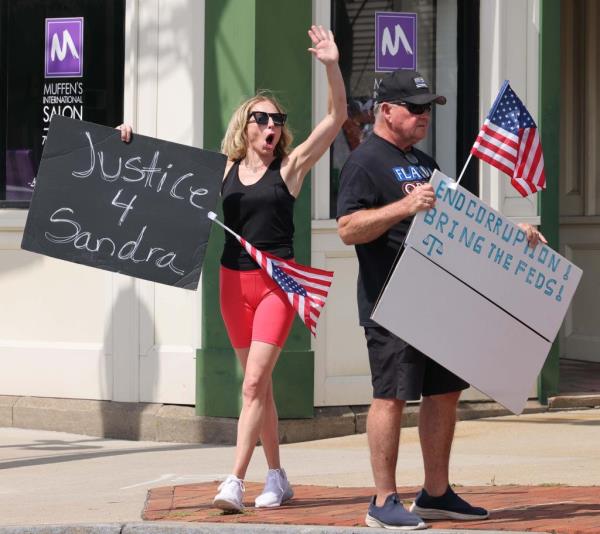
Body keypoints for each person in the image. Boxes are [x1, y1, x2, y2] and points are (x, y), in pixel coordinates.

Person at [336, 69, 545, 530]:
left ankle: (435, 494)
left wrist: (515, 235)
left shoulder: (424, 162)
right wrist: (403, 208)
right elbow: (348, 229)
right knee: (390, 396)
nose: (423, 115)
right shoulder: (364, 161)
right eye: (414, 107)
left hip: (440, 301)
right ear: (385, 111)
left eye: (428, 108)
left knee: (444, 393)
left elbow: (463, 222)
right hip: (392, 302)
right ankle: (383, 500)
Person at [210, 25, 346, 512]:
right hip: (231, 284)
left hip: (276, 286)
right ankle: (279, 476)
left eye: (277, 121)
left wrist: (331, 65)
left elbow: (336, 118)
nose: (271, 127)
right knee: (258, 387)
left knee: (251, 385)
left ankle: (234, 481)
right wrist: (128, 139)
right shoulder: (223, 169)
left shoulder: (289, 168)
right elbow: (165, 179)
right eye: (261, 119)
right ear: (244, 126)